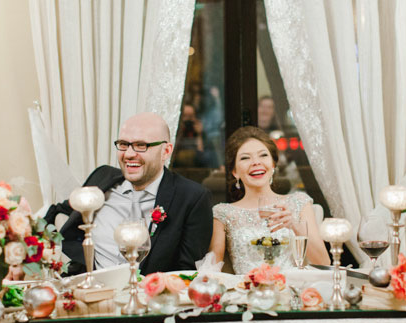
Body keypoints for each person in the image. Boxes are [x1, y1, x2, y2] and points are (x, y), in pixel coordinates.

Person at [45, 112, 213, 275]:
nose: (129, 154)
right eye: (124, 144)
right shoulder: (102, 178)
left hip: (148, 298)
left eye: (141, 145)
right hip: (90, 291)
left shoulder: (192, 197)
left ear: (166, 151)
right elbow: (61, 211)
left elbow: (186, 273)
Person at [209, 126, 330, 274]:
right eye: (245, 158)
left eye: (263, 155)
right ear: (235, 172)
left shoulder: (299, 202)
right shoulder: (222, 213)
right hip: (245, 294)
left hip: (290, 291)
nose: (256, 162)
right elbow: (212, 270)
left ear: (273, 164)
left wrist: (295, 226)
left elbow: (324, 262)